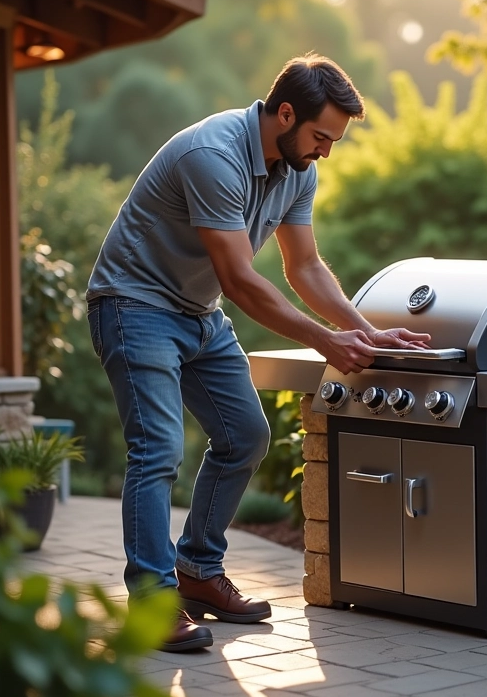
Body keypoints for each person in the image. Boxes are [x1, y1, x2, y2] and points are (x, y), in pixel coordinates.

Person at [86, 53, 430, 652]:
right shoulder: (213, 156)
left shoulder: (298, 169)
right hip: (133, 306)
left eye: (335, 141)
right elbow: (242, 280)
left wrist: (364, 331)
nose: (326, 150)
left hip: (197, 314)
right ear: (285, 113)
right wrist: (325, 340)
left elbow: (305, 266)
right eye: (321, 136)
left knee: (245, 435)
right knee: (158, 450)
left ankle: (196, 569)